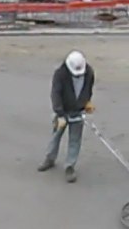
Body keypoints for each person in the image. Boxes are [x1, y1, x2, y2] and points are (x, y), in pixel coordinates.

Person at [37, 50, 95, 183]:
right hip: (62, 111)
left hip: (78, 111)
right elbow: (56, 94)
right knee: (56, 136)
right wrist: (60, 114)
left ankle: (70, 166)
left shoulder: (89, 72)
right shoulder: (60, 74)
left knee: (75, 139)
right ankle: (49, 159)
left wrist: (87, 103)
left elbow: (88, 89)